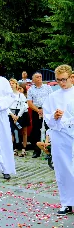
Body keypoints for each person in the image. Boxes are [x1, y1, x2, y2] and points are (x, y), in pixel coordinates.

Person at [42, 64, 74, 216]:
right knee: (63, 170)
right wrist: (54, 116)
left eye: (64, 79)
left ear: (71, 77)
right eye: (58, 80)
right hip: (60, 136)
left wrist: (67, 119)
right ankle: (67, 203)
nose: (62, 83)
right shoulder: (52, 97)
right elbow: (47, 118)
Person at [27, 72, 53, 158]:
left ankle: (49, 149)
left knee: (48, 129)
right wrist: (38, 110)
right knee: (36, 130)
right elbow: (30, 102)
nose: (39, 78)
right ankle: (36, 150)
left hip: (47, 110)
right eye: (37, 77)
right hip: (36, 110)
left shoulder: (48, 87)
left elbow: (52, 99)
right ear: (33, 79)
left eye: (40, 76)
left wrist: (45, 109)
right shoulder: (31, 89)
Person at [7, 79, 30, 157]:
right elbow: (5, 106)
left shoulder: (21, 95)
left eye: (13, 83)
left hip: (20, 113)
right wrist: (12, 115)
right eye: (10, 83)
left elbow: (24, 106)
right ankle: (15, 148)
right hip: (11, 113)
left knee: (23, 132)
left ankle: (24, 149)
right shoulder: (8, 95)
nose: (11, 85)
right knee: (14, 132)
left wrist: (18, 116)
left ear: (16, 84)